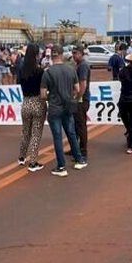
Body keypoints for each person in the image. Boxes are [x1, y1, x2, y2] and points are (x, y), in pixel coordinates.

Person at [40, 47, 87, 177]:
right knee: (71, 133)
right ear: (61, 55)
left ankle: (61, 166)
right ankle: (79, 159)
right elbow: (77, 89)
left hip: (55, 108)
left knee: (57, 137)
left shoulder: (47, 73)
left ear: (51, 56)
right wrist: (70, 96)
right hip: (68, 106)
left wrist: (50, 96)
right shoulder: (71, 70)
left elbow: (43, 95)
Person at [16, 43, 47, 172]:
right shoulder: (40, 71)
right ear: (36, 54)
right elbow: (43, 88)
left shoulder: (21, 70)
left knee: (25, 132)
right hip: (37, 102)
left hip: (26, 102)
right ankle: (33, 162)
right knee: (36, 133)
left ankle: (22, 157)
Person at [71, 46, 91, 161]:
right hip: (78, 99)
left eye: (76, 53)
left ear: (81, 54)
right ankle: (75, 148)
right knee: (75, 126)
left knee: (81, 126)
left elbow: (83, 85)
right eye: (73, 53)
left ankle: (83, 152)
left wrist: (78, 97)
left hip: (81, 100)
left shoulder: (83, 66)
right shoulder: (78, 65)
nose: (74, 55)